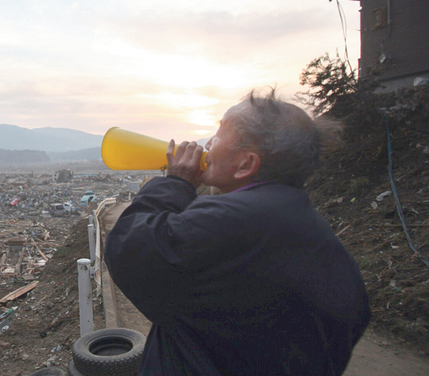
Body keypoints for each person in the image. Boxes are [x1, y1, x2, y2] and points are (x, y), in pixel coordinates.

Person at [104, 89, 370, 375]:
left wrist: (176, 182)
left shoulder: (230, 219)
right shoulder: (308, 225)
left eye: (218, 135)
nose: (207, 143)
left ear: (246, 164)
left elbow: (128, 249)